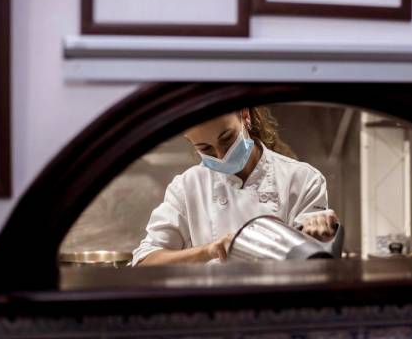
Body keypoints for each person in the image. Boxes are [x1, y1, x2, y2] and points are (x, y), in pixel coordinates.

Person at [132, 106, 338, 266]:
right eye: (206, 149)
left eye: (227, 139)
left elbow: (315, 261)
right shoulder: (187, 188)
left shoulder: (302, 179)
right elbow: (144, 262)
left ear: (245, 116)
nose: (222, 156)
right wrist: (208, 251)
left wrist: (320, 235)